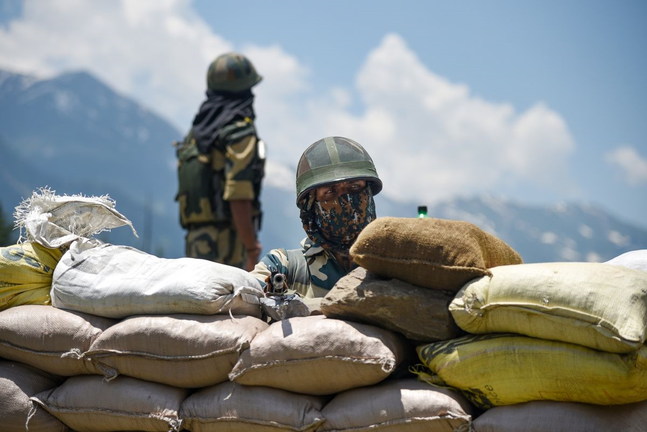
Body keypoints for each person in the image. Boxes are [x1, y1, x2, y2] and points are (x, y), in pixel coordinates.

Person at [250, 136, 382, 297]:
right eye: (330, 192)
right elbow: (242, 293)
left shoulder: (394, 263)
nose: (346, 201)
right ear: (311, 206)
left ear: (368, 194)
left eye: (354, 187)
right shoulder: (282, 266)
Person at [175, 52, 265, 271]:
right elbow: (238, 195)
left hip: (195, 240)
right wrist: (251, 249)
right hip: (228, 244)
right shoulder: (238, 132)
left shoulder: (196, 132)